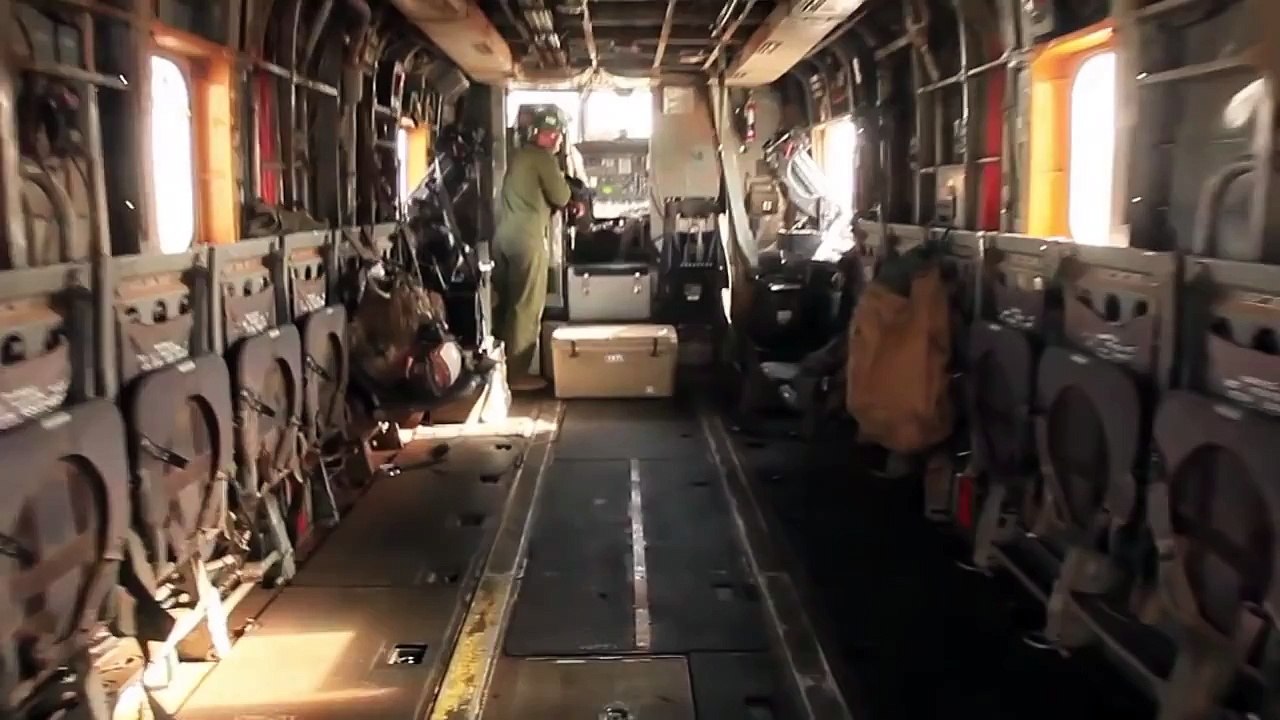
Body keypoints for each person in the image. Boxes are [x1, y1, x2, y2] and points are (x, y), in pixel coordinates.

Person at [493, 108, 572, 391]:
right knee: (526, 307)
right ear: (551, 136)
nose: (559, 139)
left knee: (503, 306)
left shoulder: (519, 157)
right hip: (528, 240)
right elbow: (562, 197)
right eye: (557, 134)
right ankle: (516, 376)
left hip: (503, 238)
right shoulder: (543, 159)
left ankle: (498, 372)